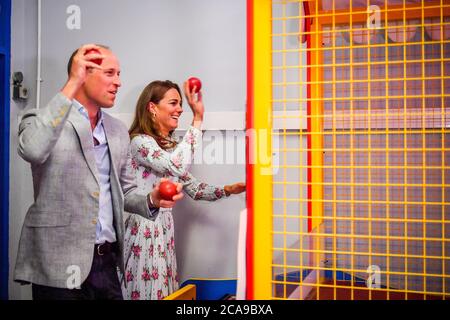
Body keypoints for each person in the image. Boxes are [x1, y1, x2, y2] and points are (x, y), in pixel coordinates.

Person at [14, 44, 183, 300]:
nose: (118, 82)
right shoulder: (39, 120)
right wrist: (72, 83)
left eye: (119, 74)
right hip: (57, 265)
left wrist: (153, 199)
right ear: (83, 74)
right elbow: (33, 150)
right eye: (110, 73)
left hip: (106, 264)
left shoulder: (116, 131)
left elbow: (126, 191)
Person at [122, 80, 245, 300]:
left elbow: (194, 188)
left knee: (166, 293)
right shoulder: (140, 142)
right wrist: (197, 119)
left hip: (163, 231)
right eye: (173, 103)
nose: (180, 109)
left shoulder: (167, 148)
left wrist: (229, 189)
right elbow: (177, 166)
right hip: (144, 230)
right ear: (152, 107)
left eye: (180, 103)